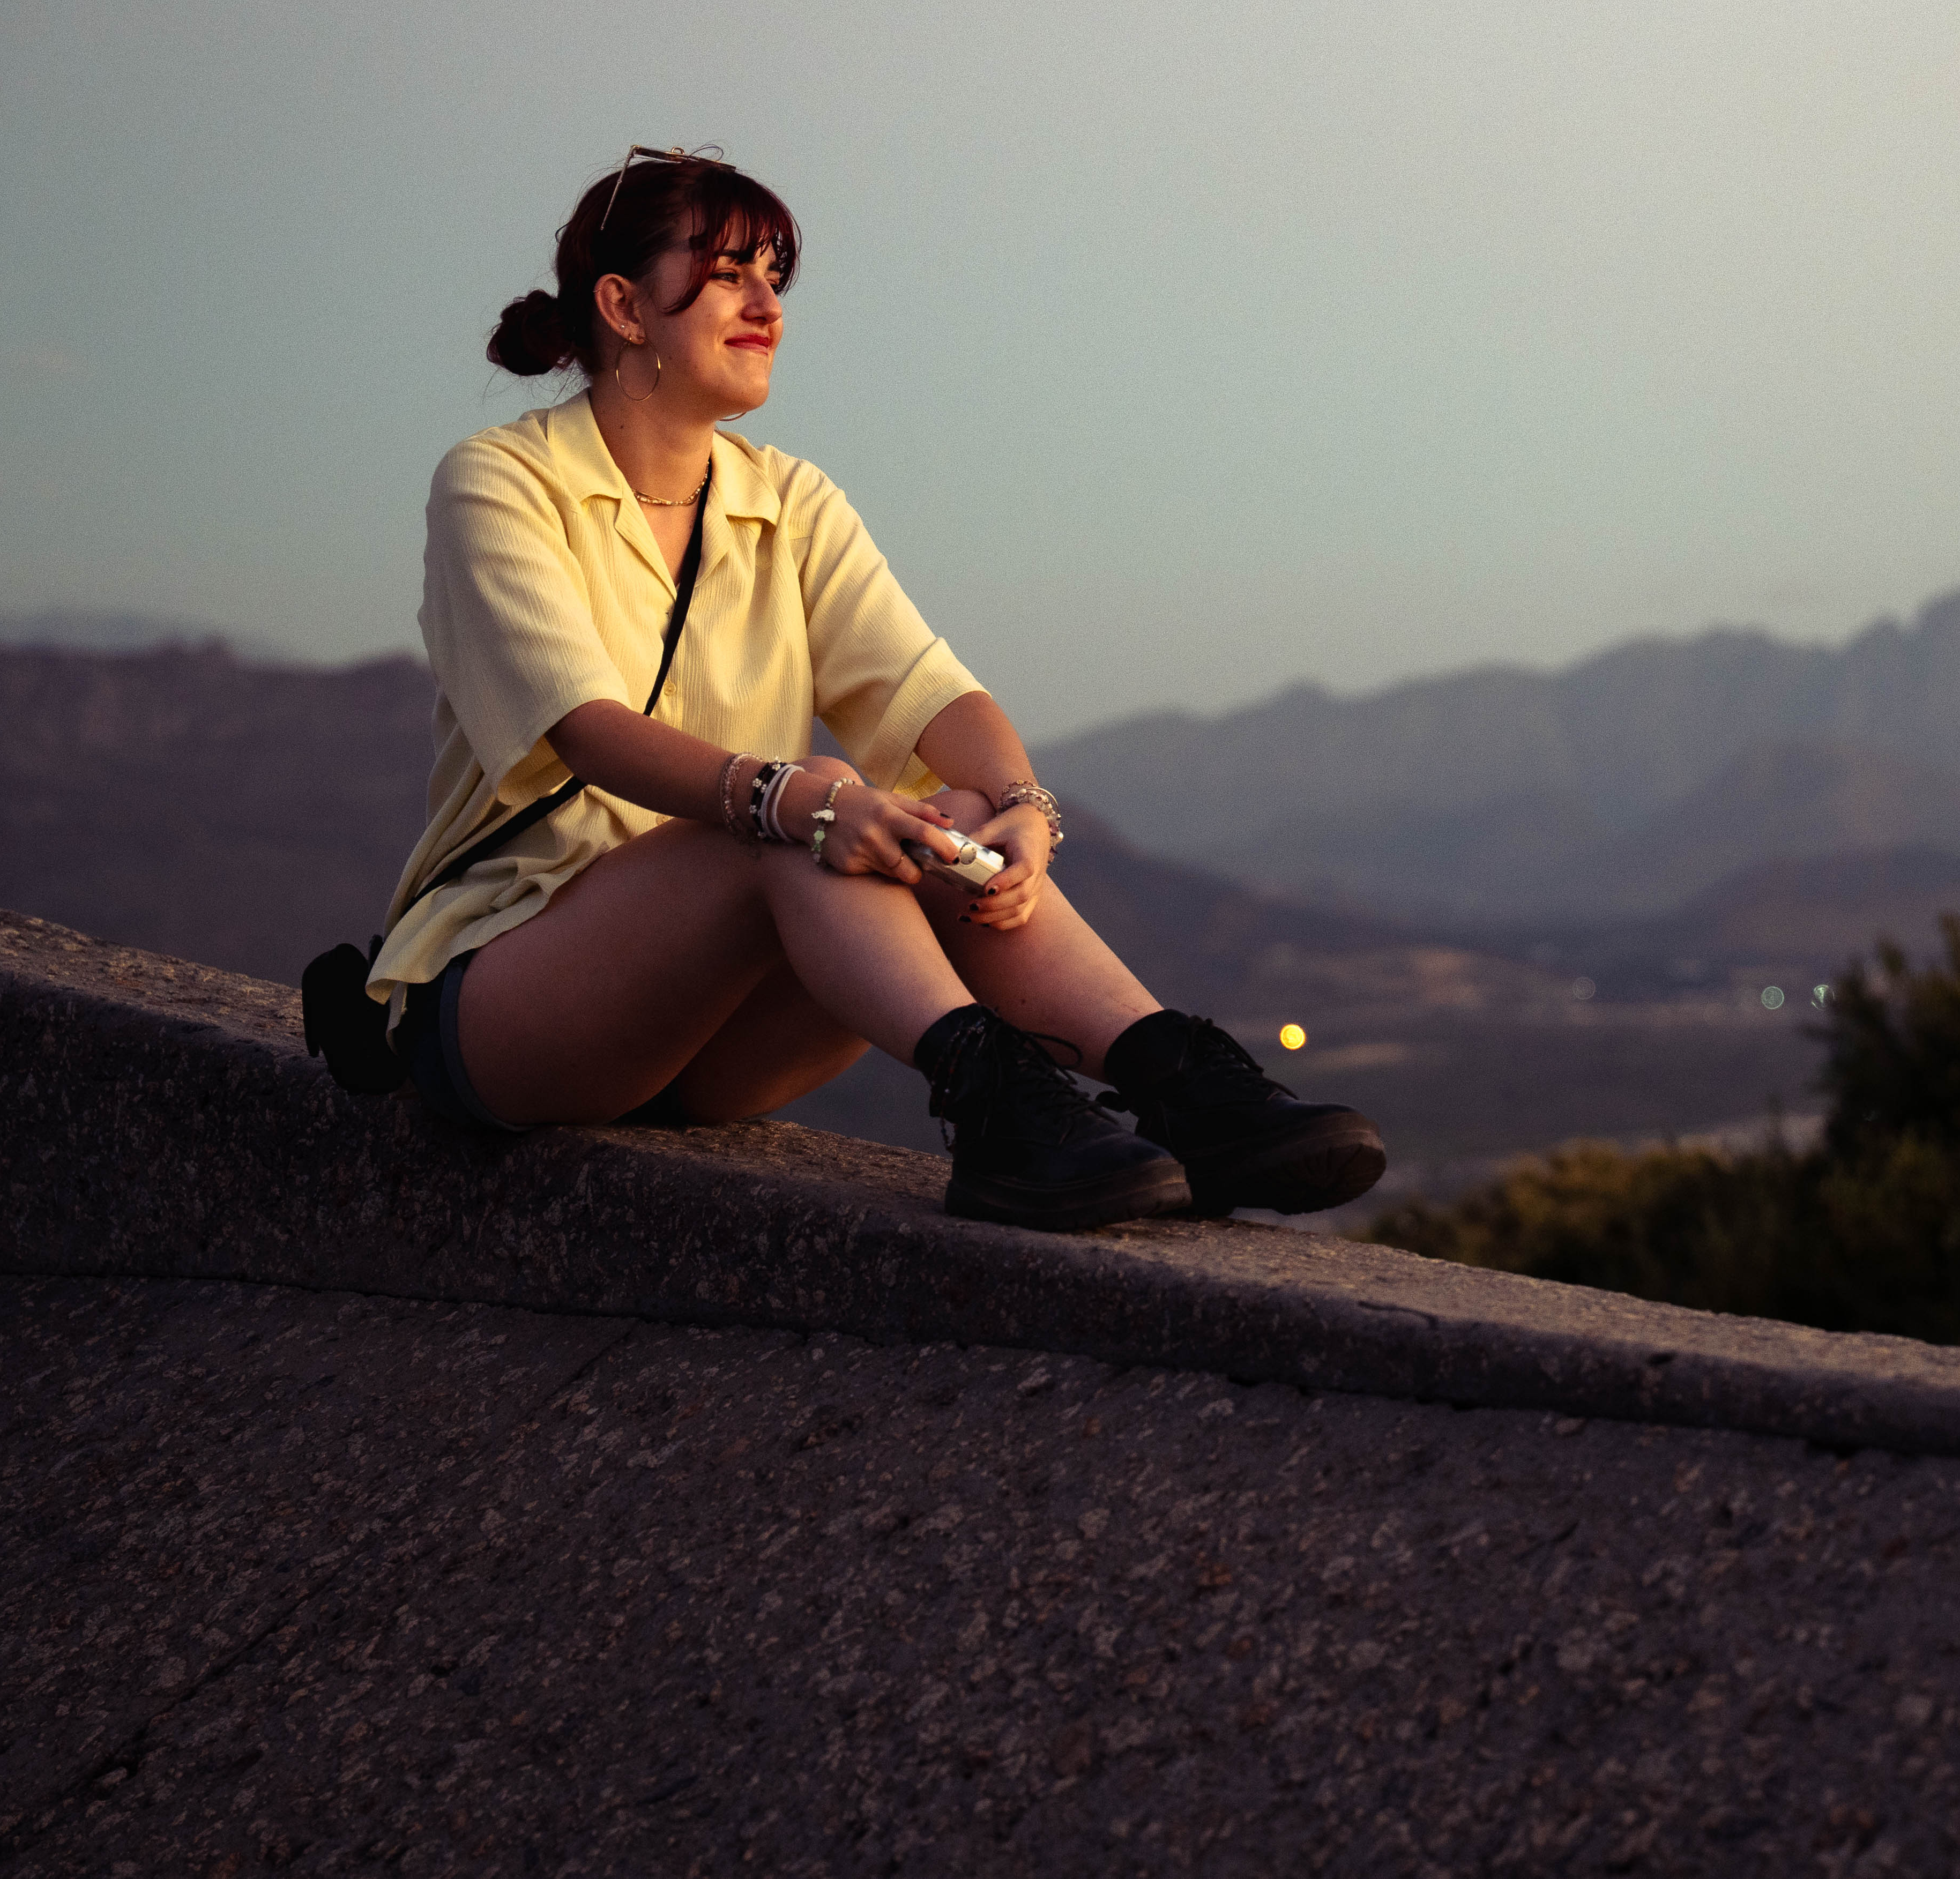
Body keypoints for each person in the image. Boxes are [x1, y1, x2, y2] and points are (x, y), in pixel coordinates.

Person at [359, 145, 1382, 1233]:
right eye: (728, 271)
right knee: (811, 802)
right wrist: (800, 800)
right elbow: (592, 730)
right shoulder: (501, 483)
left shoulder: (788, 497)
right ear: (623, 305)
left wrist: (1016, 811)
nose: (768, 302)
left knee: (936, 813)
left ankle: (1173, 1079)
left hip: (715, 1036)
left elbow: (931, 692)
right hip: (514, 995)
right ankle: (1000, 1103)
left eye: (775, 274)